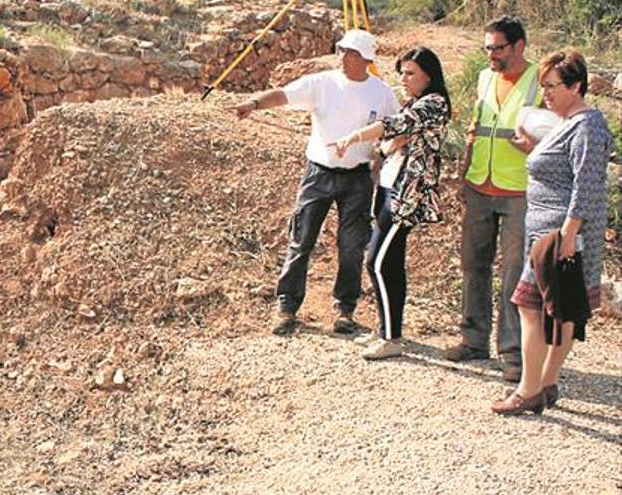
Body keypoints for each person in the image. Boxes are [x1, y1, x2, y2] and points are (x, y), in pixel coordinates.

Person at [231, 29, 400, 335]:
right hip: (319, 174)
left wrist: (380, 161)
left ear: (364, 58)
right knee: (301, 240)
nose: (341, 58)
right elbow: (284, 94)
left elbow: (396, 128)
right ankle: (286, 307)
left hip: (357, 178)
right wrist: (254, 104)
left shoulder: (382, 93)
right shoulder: (322, 83)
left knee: (351, 246)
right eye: (341, 51)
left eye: (348, 52)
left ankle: (344, 311)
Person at [491, 50, 611, 415]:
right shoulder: (568, 122)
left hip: (559, 235)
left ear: (576, 85)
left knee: (531, 305)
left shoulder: (587, 124)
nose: (546, 93)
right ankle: (545, 384)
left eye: (553, 86)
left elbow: (587, 185)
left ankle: (530, 389)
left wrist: (568, 238)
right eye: (543, 86)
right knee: (556, 310)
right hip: (548, 232)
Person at [334, 47, 451, 359]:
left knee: (378, 261)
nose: (403, 78)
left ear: (429, 75)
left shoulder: (433, 104)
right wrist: (388, 144)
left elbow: (391, 128)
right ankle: (387, 330)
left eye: (410, 73)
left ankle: (391, 339)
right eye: (401, 72)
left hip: (407, 197)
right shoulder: (415, 104)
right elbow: (388, 144)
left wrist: (353, 138)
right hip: (389, 190)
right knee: (389, 263)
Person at [444, 16, 544, 382]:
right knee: (473, 266)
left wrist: (535, 146)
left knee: (514, 274)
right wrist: (463, 174)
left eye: (498, 48)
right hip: (479, 185)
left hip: (520, 189)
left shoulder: (539, 81)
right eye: (487, 48)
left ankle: (513, 354)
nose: (491, 55)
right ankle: (473, 340)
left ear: (519, 46)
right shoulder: (486, 78)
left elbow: (556, 133)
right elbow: (476, 128)